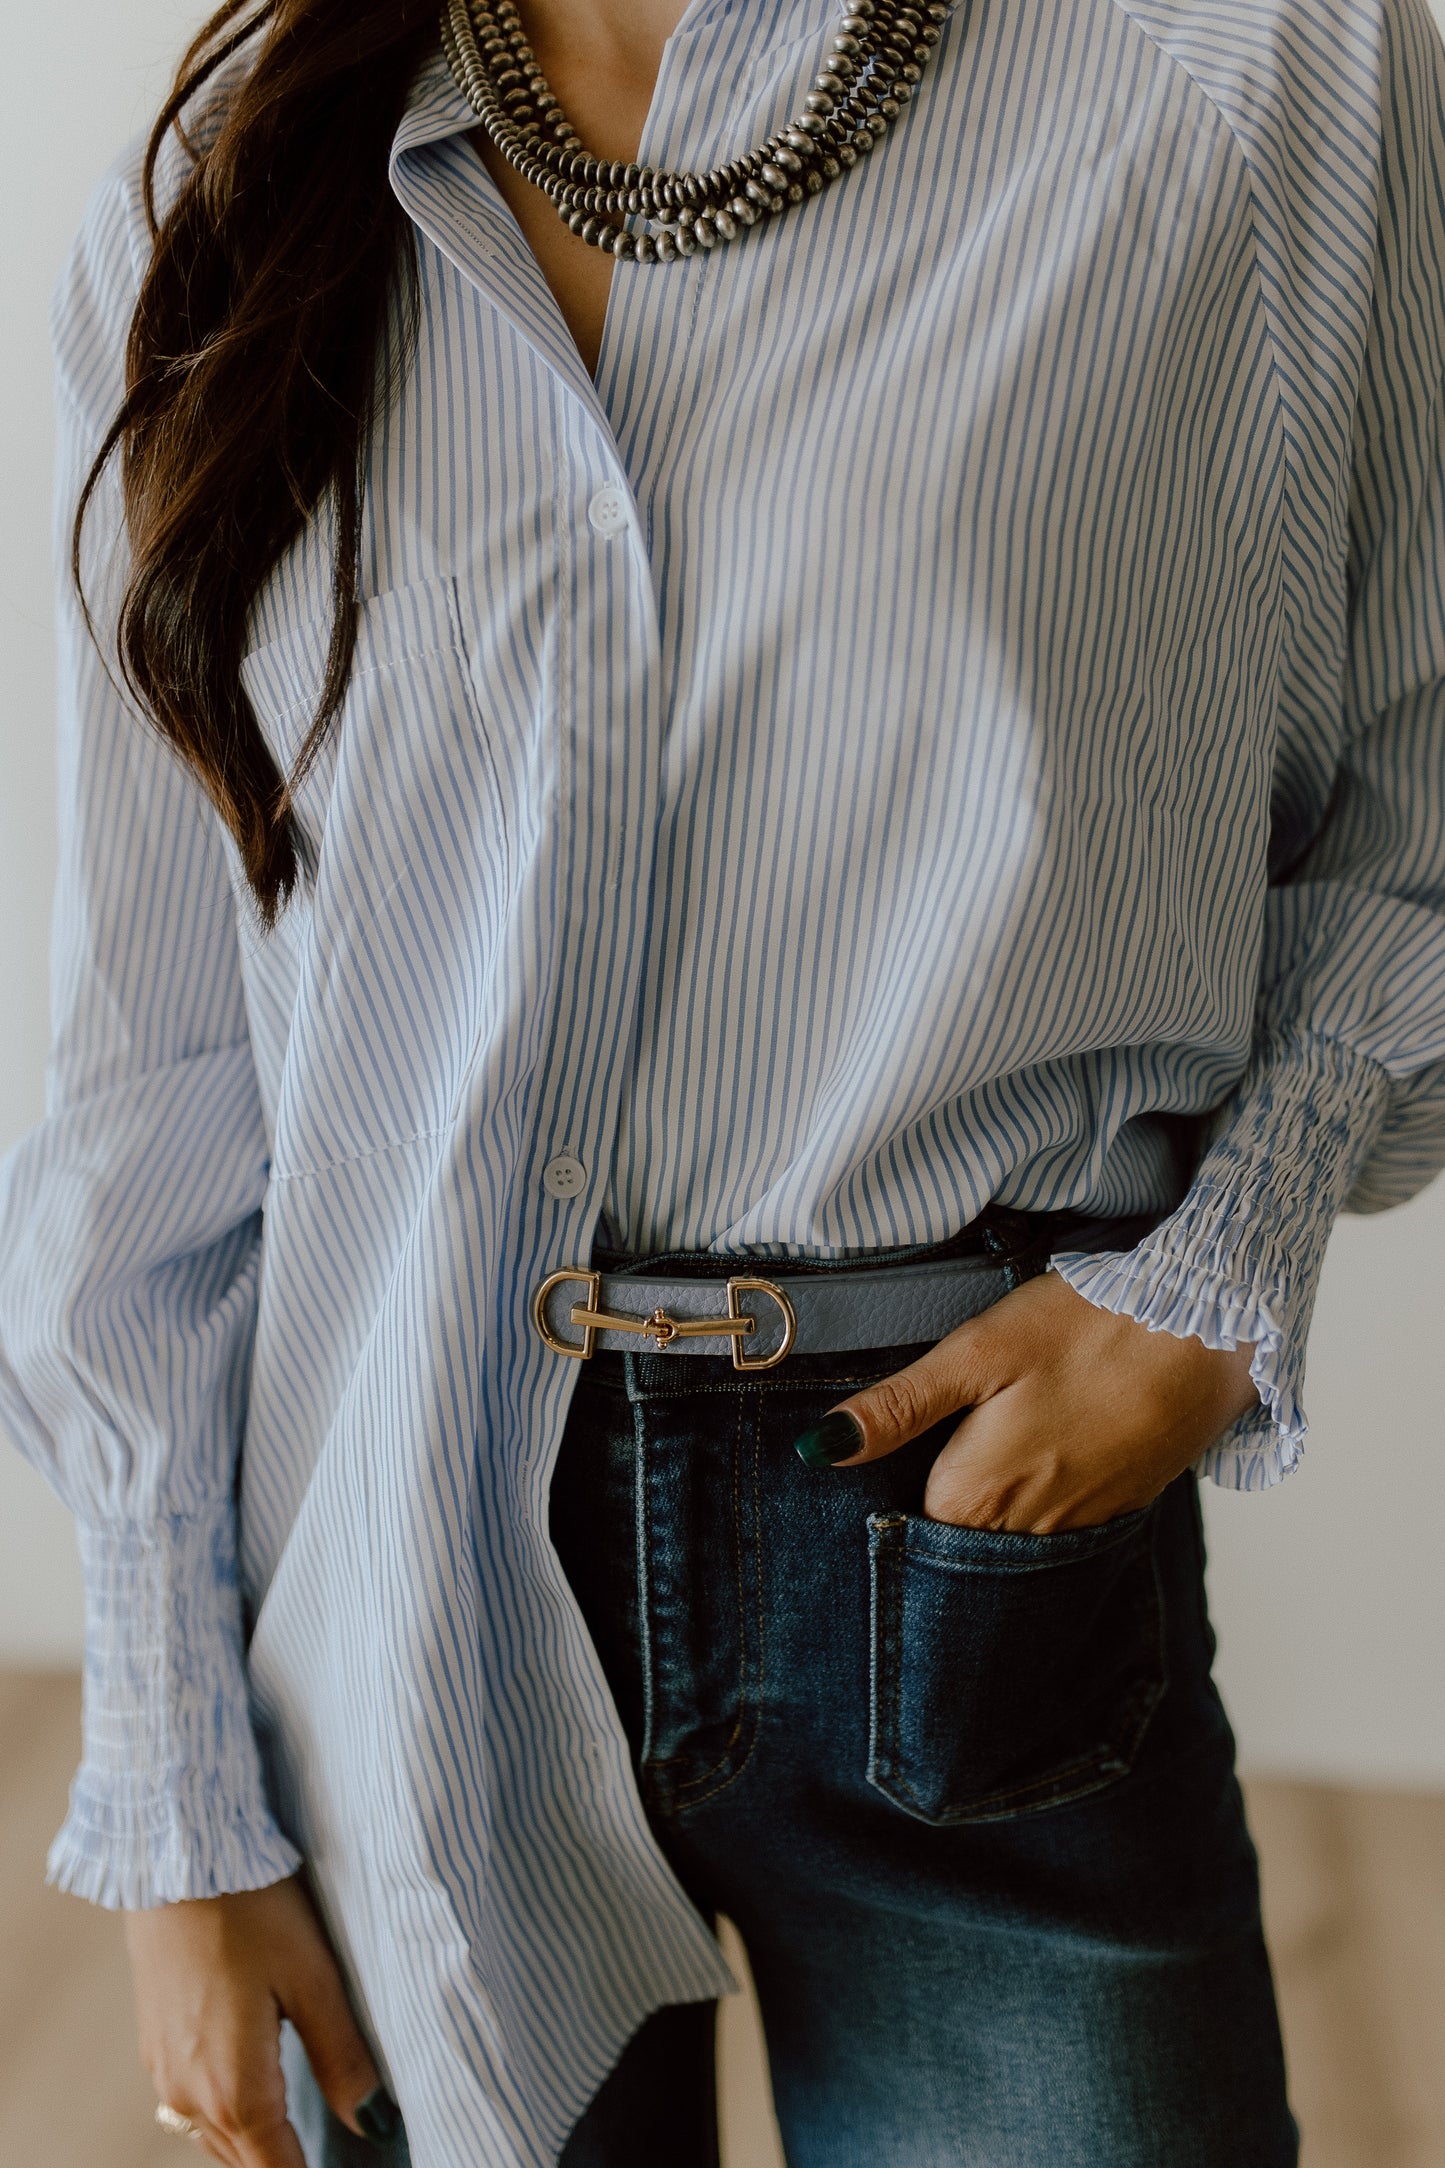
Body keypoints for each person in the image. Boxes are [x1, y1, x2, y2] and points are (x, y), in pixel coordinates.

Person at [5, 0, 1445, 2154]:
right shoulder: (242, 172)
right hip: (399, 1567)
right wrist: (174, 1793)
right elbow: (158, 1071)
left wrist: (1212, 1284)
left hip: (979, 1533)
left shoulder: (1261, 70)